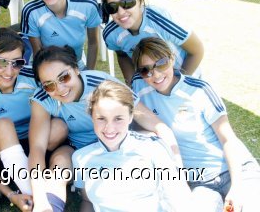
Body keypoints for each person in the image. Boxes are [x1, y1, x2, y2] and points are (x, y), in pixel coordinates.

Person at [29, 45, 180, 211]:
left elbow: (156, 124)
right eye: (49, 85)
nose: (60, 88)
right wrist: (40, 199)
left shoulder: (102, 84)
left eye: (64, 77)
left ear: (76, 69)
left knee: (149, 136)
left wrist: (177, 168)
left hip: (112, 140)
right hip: (74, 148)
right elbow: (37, 148)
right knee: (59, 161)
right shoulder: (42, 99)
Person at [131, 37, 260, 212]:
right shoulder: (139, 89)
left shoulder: (199, 89)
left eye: (161, 64)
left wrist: (237, 188)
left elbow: (228, 139)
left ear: (172, 58)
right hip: (200, 183)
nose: (156, 75)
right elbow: (135, 124)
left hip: (237, 171)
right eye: (146, 70)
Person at [0, 28, 67, 212]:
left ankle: (36, 183)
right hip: (4, 150)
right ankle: (37, 197)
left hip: (38, 145)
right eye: (0, 62)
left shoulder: (33, 78)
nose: (9, 71)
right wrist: (11, 195)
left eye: (16, 63)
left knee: (60, 126)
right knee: (3, 125)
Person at [72, 80, 193, 211]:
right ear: (92, 118)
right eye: (101, 118)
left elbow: (179, 197)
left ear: (130, 117)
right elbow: (87, 201)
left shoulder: (153, 148)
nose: (109, 128)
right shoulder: (80, 158)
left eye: (118, 118)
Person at [102, 0, 204, 85]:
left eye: (127, 2)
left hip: (185, 78)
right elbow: (122, 55)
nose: (121, 12)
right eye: (112, 7)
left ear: (140, 0)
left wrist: (179, 85)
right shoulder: (111, 35)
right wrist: (132, 84)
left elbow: (196, 51)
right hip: (151, 83)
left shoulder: (161, 20)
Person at [21, 0, 101, 70]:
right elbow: (37, 53)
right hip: (45, 65)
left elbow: (93, 43)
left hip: (76, 64)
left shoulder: (88, 5)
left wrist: (89, 73)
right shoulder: (31, 11)